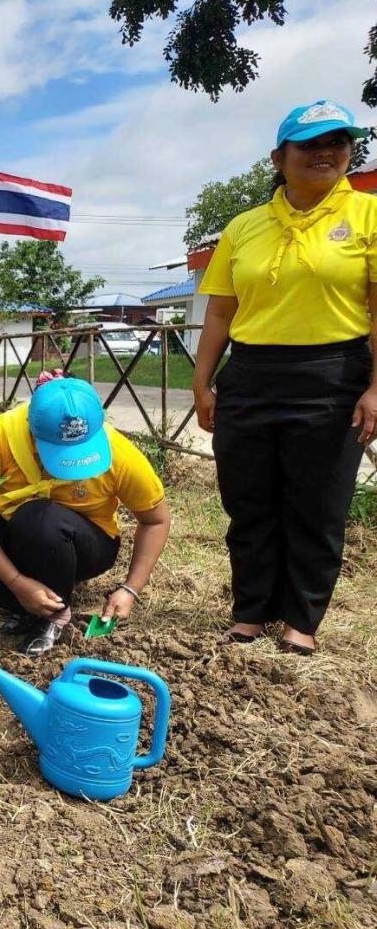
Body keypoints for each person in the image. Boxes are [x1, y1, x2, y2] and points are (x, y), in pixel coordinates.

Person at [193, 99, 377, 655]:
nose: (325, 153)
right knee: (248, 500)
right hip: (249, 373)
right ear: (279, 156)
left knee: (317, 505)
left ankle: (301, 620)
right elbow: (221, 312)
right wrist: (204, 383)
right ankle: (251, 610)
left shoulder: (369, 215)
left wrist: (376, 387)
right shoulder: (244, 226)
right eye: (310, 144)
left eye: (337, 142)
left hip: (333, 373)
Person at [0, 377, 170, 657]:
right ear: (32, 433)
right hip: (16, 526)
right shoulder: (2, 435)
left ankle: (53, 615)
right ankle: (33, 603)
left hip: (85, 541)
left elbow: (155, 519)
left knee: (38, 519)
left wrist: (130, 589)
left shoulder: (119, 453)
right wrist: (16, 582)